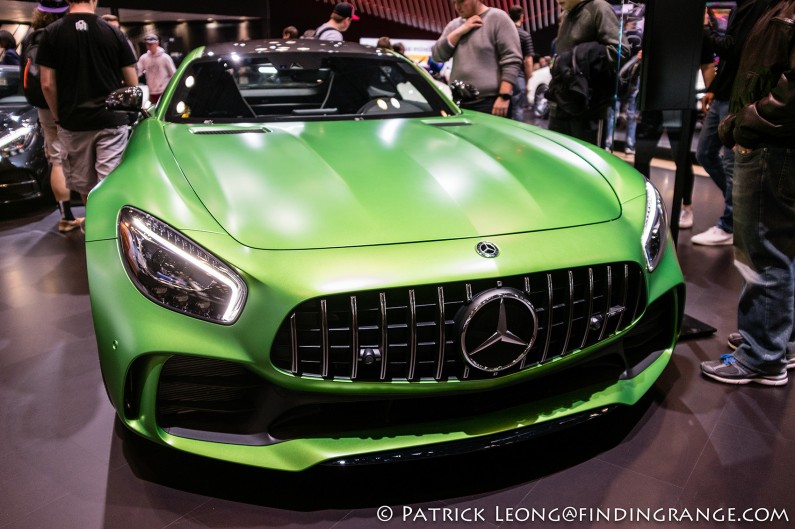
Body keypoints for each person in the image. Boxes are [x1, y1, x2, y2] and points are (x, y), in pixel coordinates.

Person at [700, 0, 795, 386]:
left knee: (762, 248)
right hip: (776, 141)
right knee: (779, 247)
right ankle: (775, 339)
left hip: (773, 143)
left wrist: (747, 121)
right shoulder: (777, 6)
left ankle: (762, 355)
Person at [691, 0, 777, 246]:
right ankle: (738, 206)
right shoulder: (745, 5)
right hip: (725, 93)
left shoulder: (757, 6)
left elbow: (734, 49)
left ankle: (730, 222)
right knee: (705, 153)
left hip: (737, 98)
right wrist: (714, 89)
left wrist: (706, 29)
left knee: (731, 163)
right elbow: (733, 59)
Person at [37, 0, 138, 208]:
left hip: (74, 122)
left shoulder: (51, 32)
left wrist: (58, 117)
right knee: (109, 182)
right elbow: (132, 82)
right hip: (111, 119)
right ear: (95, 0)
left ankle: (92, 227)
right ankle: (109, 232)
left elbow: (47, 84)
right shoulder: (113, 32)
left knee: (86, 186)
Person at [20, 0, 81, 232]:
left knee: (56, 158)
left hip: (43, 107)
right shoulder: (62, 35)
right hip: (68, 103)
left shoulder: (30, 37)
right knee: (85, 156)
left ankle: (66, 216)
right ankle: (93, 216)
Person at [546, 0, 629, 145]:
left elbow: (621, 50)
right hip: (562, 103)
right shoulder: (567, 14)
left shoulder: (599, 7)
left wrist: (582, 56)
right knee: (557, 158)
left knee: (586, 163)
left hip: (588, 109)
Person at [431, 0, 521, 117]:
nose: (457, 7)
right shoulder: (454, 25)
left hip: (490, 103)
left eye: (461, 1)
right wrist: (460, 31)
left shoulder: (498, 18)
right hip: (458, 103)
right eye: (454, 3)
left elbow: (512, 59)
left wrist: (504, 96)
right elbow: (437, 56)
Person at [508, 5, 535, 123]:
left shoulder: (503, 35)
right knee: (518, 109)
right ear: (522, 17)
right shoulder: (525, 35)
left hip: (502, 78)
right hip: (518, 76)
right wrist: (529, 79)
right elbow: (528, 60)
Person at [136, 34, 176, 105]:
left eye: (151, 44)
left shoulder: (165, 58)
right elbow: (138, 72)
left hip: (164, 91)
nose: (149, 46)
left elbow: (174, 74)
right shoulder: (144, 58)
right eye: (148, 44)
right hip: (151, 92)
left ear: (157, 43)